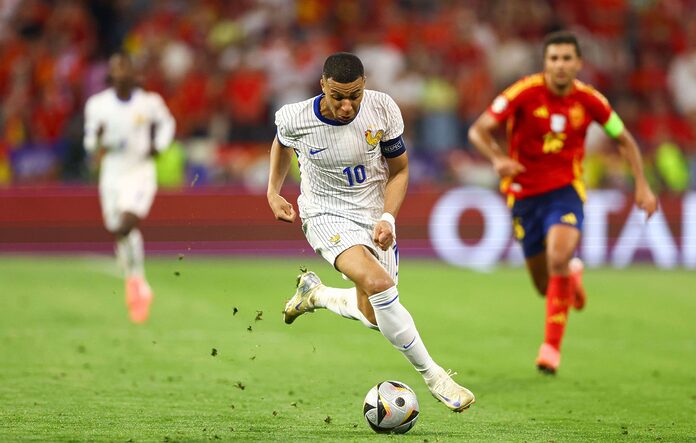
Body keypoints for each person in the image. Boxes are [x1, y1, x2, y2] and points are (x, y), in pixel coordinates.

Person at [267, 52, 475, 411]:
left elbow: (399, 171)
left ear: (364, 87)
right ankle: (436, 377)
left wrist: (388, 219)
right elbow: (282, 144)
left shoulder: (383, 109)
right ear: (322, 87)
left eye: (355, 96)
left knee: (372, 313)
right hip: (324, 213)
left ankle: (315, 294)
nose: (347, 106)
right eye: (338, 97)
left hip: (372, 213)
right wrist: (273, 191)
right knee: (380, 284)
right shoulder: (294, 117)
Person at [468, 31, 658, 374]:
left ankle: (550, 348)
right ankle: (572, 274)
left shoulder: (591, 100)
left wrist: (642, 187)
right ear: (545, 63)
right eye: (553, 58)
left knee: (558, 254)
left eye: (567, 58)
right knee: (545, 286)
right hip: (523, 196)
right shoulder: (523, 92)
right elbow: (478, 130)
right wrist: (497, 159)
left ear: (578, 63)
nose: (560, 65)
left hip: (565, 191)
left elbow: (626, 140)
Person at [84, 52, 175, 324]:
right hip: (111, 173)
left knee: (126, 225)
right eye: (116, 68)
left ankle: (136, 281)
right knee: (116, 228)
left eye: (126, 67)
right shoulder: (97, 105)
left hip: (139, 172)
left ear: (134, 73)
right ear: (111, 75)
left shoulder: (149, 103)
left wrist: (158, 145)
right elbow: (89, 144)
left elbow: (168, 124)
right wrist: (97, 139)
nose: (121, 72)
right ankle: (137, 284)